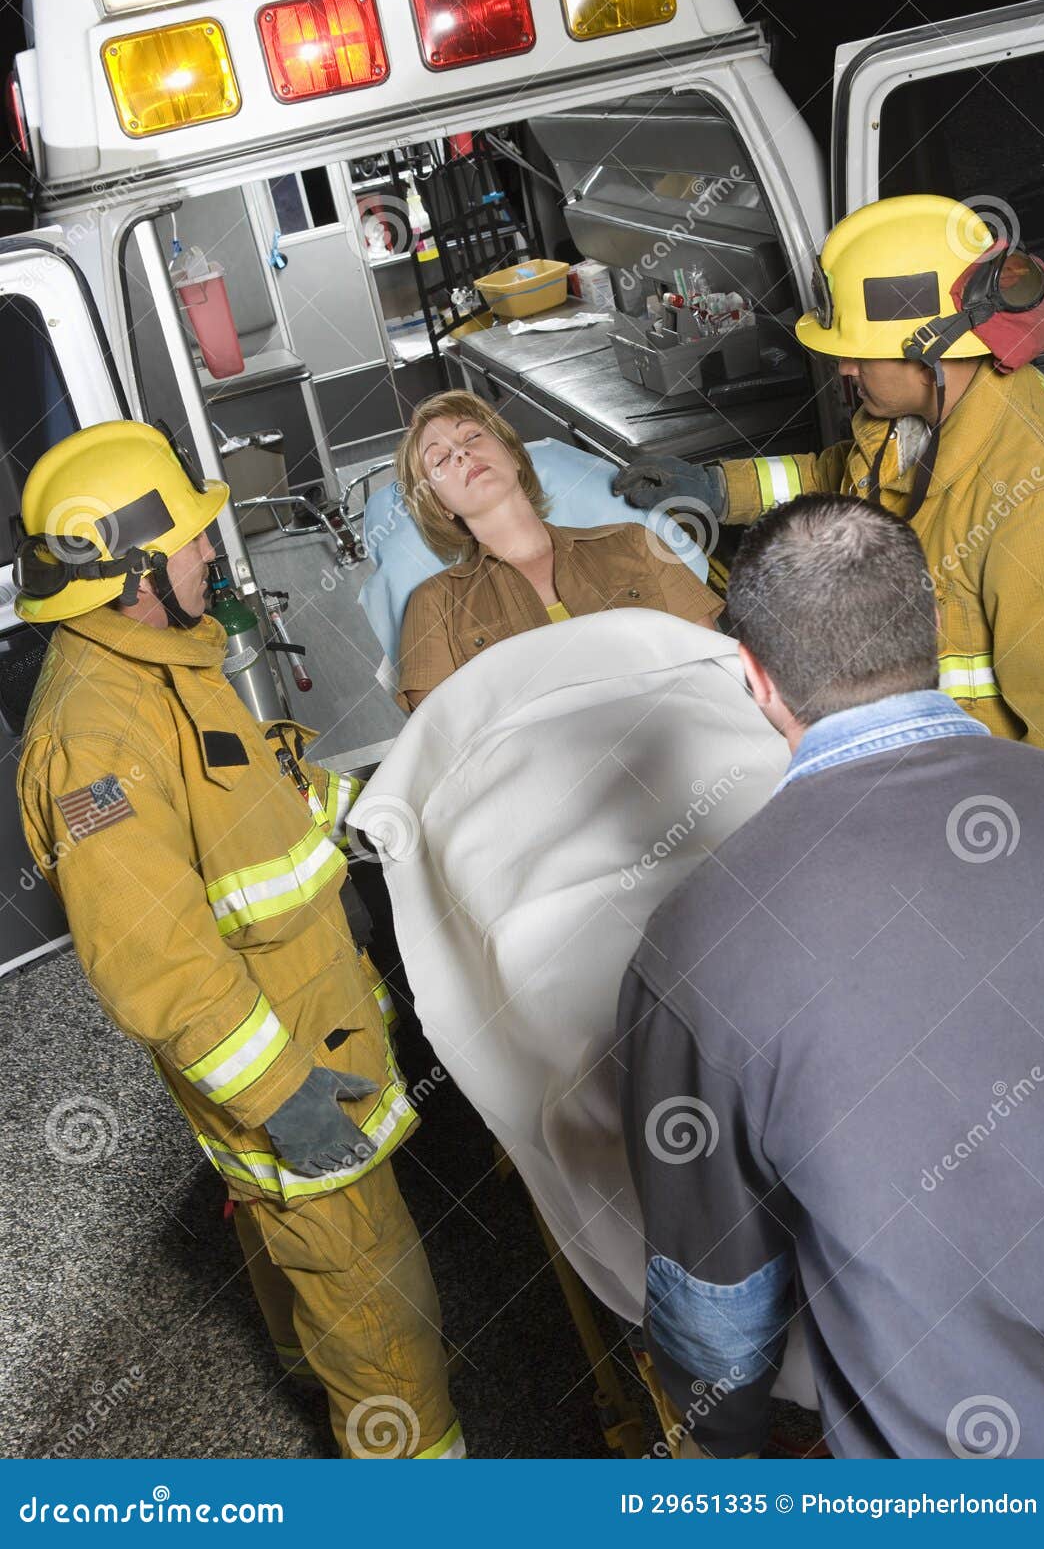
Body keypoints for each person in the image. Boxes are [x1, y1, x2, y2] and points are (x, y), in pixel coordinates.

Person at [15, 420, 462, 1461]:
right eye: (189, 541)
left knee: (298, 1264)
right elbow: (152, 956)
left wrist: (385, 803)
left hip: (314, 1028)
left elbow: (254, 804)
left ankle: (315, 1371)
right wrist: (278, 1097)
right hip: (291, 1075)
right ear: (130, 572)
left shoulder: (165, 655)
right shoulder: (95, 738)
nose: (210, 551)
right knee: (385, 1329)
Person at [617, 493, 1044, 1459]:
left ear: (754, 678)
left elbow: (719, 1302)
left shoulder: (695, 944)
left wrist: (721, 1431)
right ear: (936, 624)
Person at [613, 194, 1044, 751]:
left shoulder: (1039, 500)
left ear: (931, 354)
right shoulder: (916, 419)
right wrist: (719, 489)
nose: (845, 367)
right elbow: (845, 478)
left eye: (860, 353)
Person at [394, 392, 723, 710]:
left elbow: (716, 671)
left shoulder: (634, 542)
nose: (461, 454)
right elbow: (441, 737)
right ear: (439, 505)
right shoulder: (435, 602)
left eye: (472, 437)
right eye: (439, 459)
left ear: (513, 455)